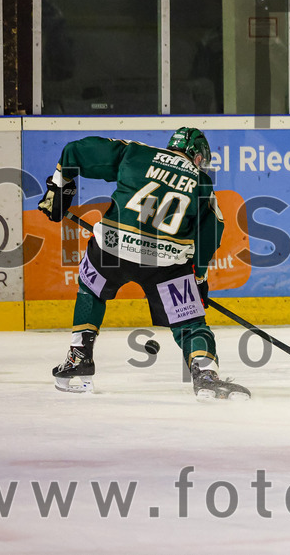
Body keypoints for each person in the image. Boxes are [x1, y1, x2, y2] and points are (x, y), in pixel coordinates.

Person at [37, 127, 249, 400]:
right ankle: (205, 374)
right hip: (165, 262)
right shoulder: (202, 184)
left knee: (90, 291)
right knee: (190, 323)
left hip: (112, 249)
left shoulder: (136, 153)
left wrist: (59, 186)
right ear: (197, 157)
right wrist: (199, 279)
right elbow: (210, 233)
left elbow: (75, 150)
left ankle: (79, 359)